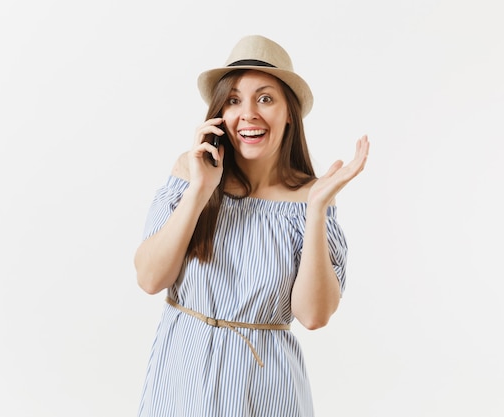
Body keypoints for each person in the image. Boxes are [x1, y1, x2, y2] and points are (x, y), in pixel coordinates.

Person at [134, 34, 370, 417]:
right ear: (219, 112)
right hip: (182, 380)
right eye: (234, 99)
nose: (249, 114)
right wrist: (199, 191)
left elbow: (314, 315)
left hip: (267, 392)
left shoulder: (310, 199)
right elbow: (149, 278)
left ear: (289, 112)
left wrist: (316, 210)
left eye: (265, 98)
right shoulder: (189, 173)